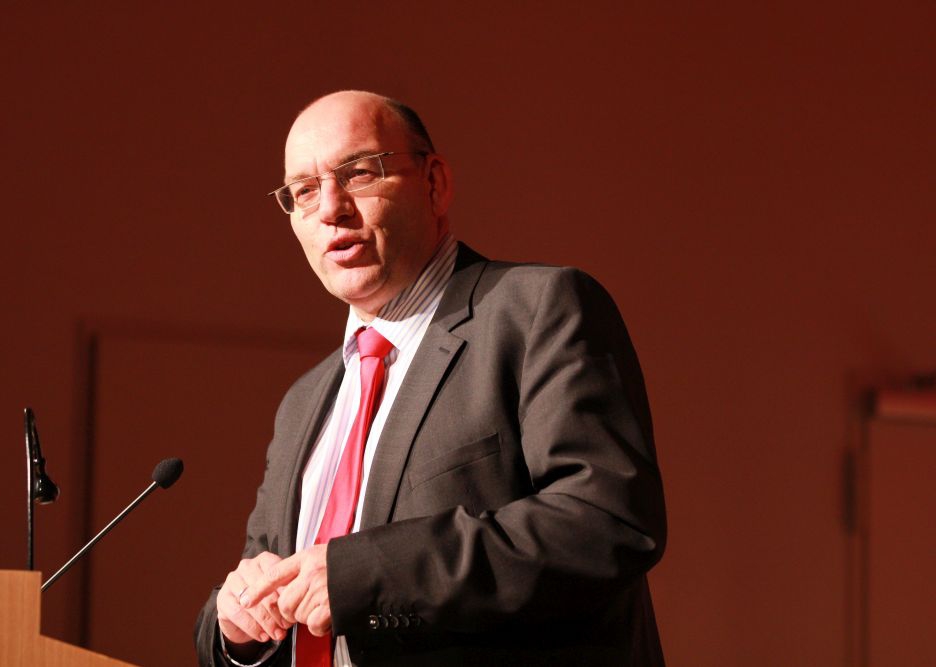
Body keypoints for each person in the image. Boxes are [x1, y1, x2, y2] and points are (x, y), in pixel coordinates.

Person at [195, 90, 666, 666]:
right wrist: (235, 625)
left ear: (435, 183)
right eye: (304, 190)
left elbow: (604, 522)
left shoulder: (536, 310)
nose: (330, 209)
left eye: (358, 173)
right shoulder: (305, 400)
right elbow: (265, 580)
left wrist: (361, 575)